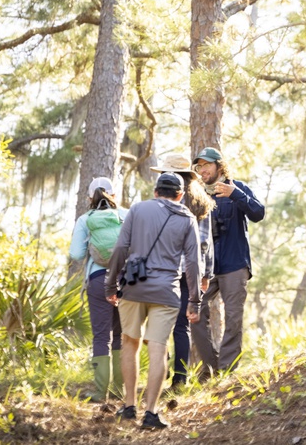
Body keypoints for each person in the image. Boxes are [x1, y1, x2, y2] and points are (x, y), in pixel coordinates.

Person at [104, 172, 203, 430]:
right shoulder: (187, 219)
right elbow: (192, 263)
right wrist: (195, 301)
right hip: (166, 292)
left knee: (129, 343)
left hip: (134, 288)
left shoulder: (138, 209)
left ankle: (128, 407)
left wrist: (110, 284)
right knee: (157, 348)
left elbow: (120, 248)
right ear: (180, 196)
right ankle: (151, 412)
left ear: (156, 191)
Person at [190, 147, 265, 375]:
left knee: (233, 319)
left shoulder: (237, 188)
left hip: (234, 265)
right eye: (199, 167)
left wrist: (235, 195)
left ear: (219, 166)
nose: (203, 171)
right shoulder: (198, 194)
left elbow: (258, 213)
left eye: (207, 165)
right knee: (195, 311)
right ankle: (210, 366)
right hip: (207, 269)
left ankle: (227, 371)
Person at [150, 153, 215, 390]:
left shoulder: (163, 199)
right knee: (181, 326)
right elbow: (206, 242)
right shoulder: (201, 200)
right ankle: (180, 379)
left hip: (165, 269)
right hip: (191, 270)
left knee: (160, 322)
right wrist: (206, 274)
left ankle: (161, 370)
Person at [69, 176, 126, 403]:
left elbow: (76, 254)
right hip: (126, 280)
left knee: (102, 335)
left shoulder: (85, 219)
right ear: (114, 195)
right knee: (122, 334)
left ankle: (100, 392)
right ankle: (120, 391)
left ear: (89, 197)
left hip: (98, 279)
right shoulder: (126, 215)